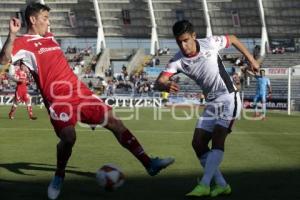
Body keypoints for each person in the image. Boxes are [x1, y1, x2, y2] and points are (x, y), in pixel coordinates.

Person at [0, 3, 174, 200]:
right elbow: (4, 59)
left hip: (80, 92)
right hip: (58, 98)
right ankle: (59, 175)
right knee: (68, 137)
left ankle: (149, 163)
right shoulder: (23, 42)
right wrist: (12, 35)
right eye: (45, 18)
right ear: (33, 20)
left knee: (115, 122)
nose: (48, 22)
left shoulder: (49, 37)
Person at [155, 20, 259, 197]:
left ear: (194, 36)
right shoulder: (178, 61)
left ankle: (204, 184)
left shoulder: (209, 43)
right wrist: (164, 86)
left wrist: (252, 60)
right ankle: (222, 185)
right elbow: (159, 81)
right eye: (179, 41)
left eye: (186, 40)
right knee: (198, 143)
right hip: (211, 103)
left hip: (228, 98)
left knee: (219, 137)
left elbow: (232, 38)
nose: (183, 45)